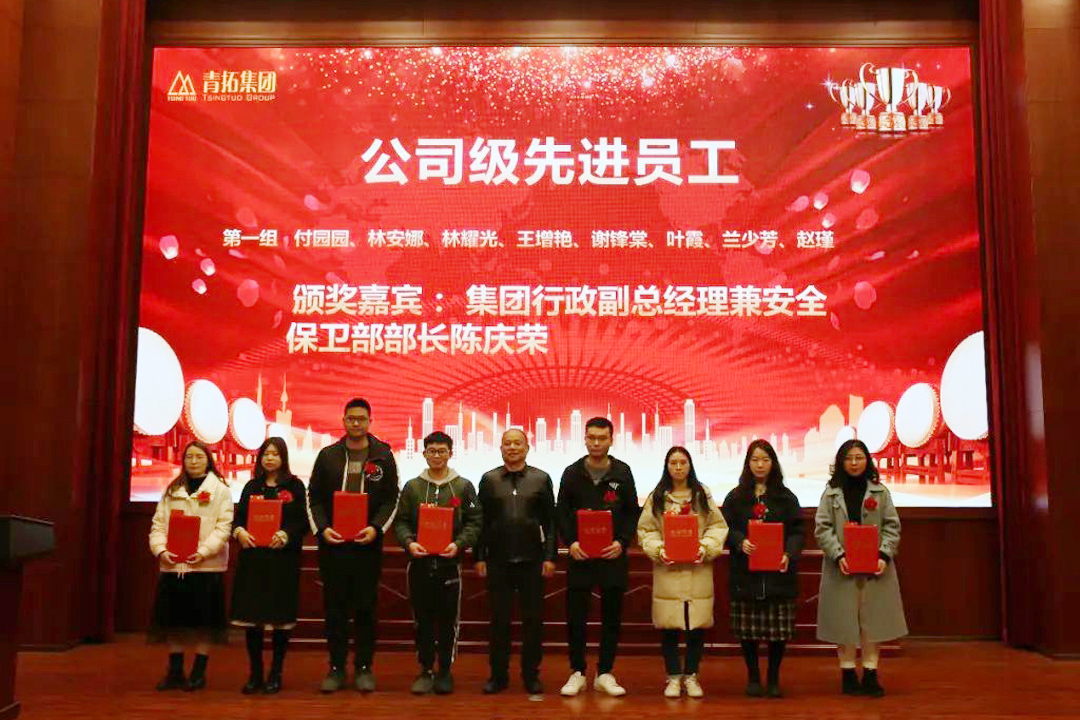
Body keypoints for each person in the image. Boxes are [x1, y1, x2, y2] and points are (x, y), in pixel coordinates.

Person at [307, 398, 400, 693]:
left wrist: (376, 528)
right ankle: (336, 668)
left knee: (365, 609)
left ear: (370, 421)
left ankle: (363, 667)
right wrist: (323, 529)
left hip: (366, 546)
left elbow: (392, 499)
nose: (356, 423)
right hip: (333, 545)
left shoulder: (383, 455)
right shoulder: (328, 455)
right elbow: (314, 497)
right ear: (344, 421)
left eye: (361, 418)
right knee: (335, 609)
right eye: (351, 418)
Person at [815, 439, 908, 698]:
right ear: (840, 462)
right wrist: (838, 555)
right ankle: (847, 673)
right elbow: (822, 528)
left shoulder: (880, 492)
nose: (854, 463)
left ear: (867, 460)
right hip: (841, 568)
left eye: (859, 457)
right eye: (848, 458)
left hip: (875, 569)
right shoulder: (831, 493)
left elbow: (892, 527)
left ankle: (870, 673)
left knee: (872, 622)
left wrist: (884, 555)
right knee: (844, 621)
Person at [393, 431, 482, 695]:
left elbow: (475, 521)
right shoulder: (413, 487)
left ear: (450, 453)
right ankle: (425, 669)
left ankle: (444, 671)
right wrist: (409, 542)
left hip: (449, 566)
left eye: (442, 451)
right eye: (432, 451)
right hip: (419, 564)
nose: (437, 456)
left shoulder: (463, 486)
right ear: (424, 454)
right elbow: (401, 521)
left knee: (447, 621)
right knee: (422, 620)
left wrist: (459, 544)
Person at [556, 417, 639, 697]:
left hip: (612, 556)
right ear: (585, 439)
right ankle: (577, 672)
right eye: (591, 437)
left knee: (611, 617)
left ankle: (605, 672)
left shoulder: (622, 472)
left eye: (601, 438)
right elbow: (561, 512)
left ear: (611, 440)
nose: (596, 443)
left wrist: (622, 542)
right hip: (580, 556)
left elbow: (632, 512)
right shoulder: (572, 473)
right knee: (576, 617)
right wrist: (571, 542)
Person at [636, 446, 727, 699]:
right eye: (673, 463)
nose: (678, 467)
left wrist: (705, 548)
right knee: (669, 627)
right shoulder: (657, 497)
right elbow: (646, 531)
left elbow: (717, 527)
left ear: (690, 465)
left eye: (683, 462)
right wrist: (659, 550)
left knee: (696, 627)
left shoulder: (701, 494)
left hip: (698, 569)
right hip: (668, 571)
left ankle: (692, 675)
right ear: (667, 466)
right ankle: (674, 676)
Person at [474, 429, 557, 695]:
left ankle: (531, 675)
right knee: (499, 622)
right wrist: (479, 557)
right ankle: (498, 676)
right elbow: (481, 522)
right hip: (498, 561)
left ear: (527, 448)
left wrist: (550, 557)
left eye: (517, 443)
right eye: (507, 443)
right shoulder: (489, 480)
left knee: (533, 622)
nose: (512, 447)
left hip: (533, 561)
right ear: (501, 448)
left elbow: (550, 522)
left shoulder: (541, 479)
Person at [720, 439, 804, 699]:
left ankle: (774, 678)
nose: (760, 465)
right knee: (748, 632)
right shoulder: (736, 497)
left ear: (773, 463)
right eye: (755, 460)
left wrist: (789, 553)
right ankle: (754, 677)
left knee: (778, 633)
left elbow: (797, 531)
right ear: (748, 463)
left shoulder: (786, 497)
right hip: (746, 574)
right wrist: (739, 541)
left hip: (778, 574)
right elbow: (724, 527)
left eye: (765, 460)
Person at [147, 440, 234, 691]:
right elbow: (158, 525)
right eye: (189, 457)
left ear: (208, 460)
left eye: (199, 457)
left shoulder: (220, 490)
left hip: (207, 566)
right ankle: (175, 671)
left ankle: (198, 672)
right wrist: (161, 550)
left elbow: (223, 527)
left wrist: (203, 552)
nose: (193, 461)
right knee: (174, 620)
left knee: (204, 622)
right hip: (174, 565)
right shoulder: (172, 489)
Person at [229, 437, 308, 694]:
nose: (270, 458)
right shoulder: (252, 486)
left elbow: (301, 522)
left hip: (282, 561)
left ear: (283, 457)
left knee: (279, 621)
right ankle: (255, 673)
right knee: (253, 621)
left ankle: (276, 673)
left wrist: (286, 534)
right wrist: (239, 532)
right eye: (266, 454)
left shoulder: (295, 486)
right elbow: (238, 518)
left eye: (275, 454)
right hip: (254, 560)